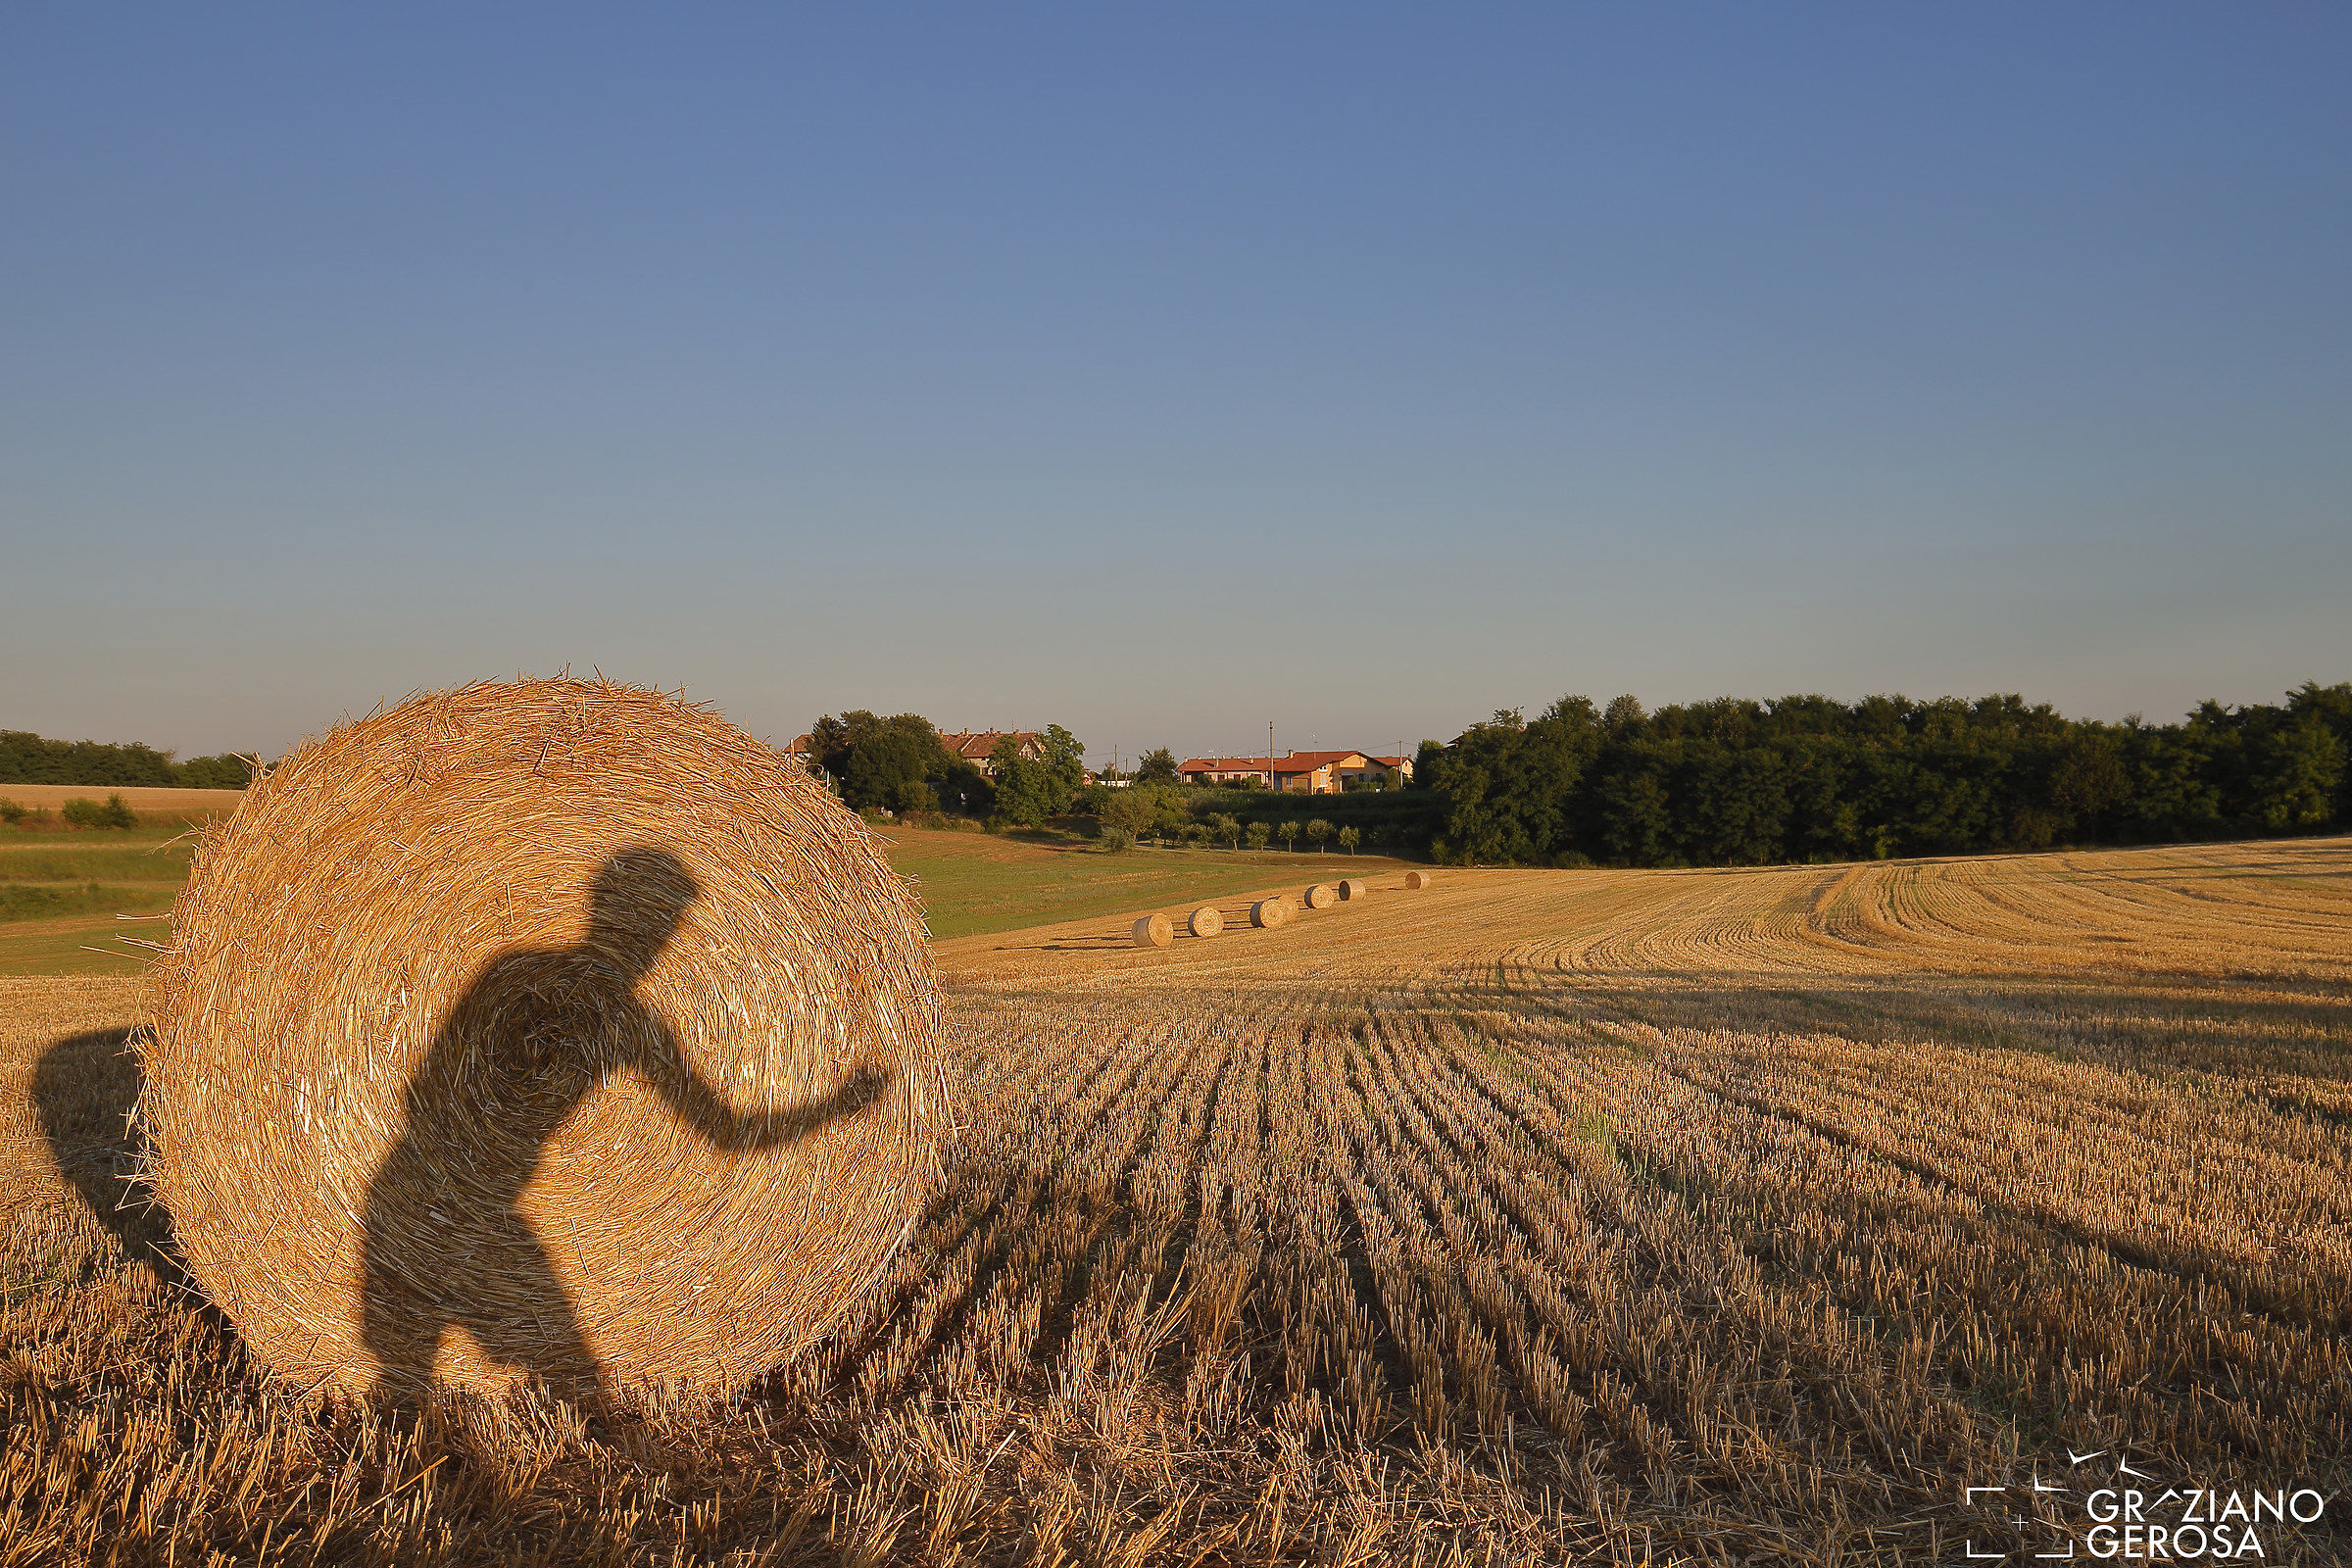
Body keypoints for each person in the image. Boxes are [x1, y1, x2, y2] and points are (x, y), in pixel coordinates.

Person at [360, 846, 882, 1398]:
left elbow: (723, 1131)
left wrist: (834, 1105)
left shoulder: (627, 1021)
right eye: (662, 919)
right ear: (608, 908)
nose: (661, 936)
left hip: (463, 1200)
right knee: (407, 1394)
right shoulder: (520, 977)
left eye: (670, 923)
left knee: (469, 1386)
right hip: (427, 1198)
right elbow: (423, 1097)